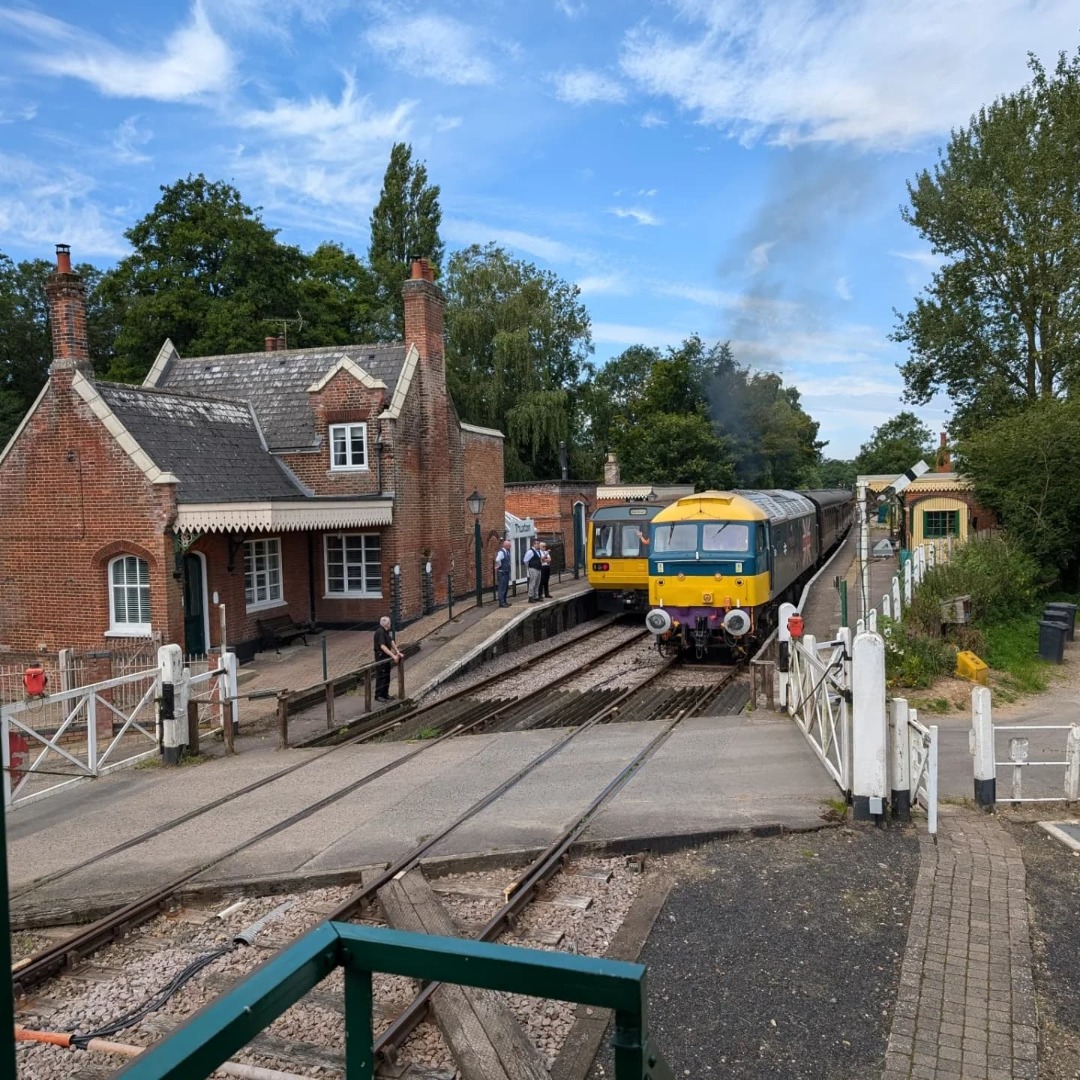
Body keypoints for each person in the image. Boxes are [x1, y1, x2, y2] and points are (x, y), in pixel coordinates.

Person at [373, 615, 403, 702]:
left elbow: (391, 641)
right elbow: (382, 646)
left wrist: (397, 651)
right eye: (389, 623)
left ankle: (385, 694)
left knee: (387, 675)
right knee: (381, 676)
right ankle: (378, 695)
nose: (390, 624)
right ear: (386, 624)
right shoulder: (380, 632)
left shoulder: (386, 631)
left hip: (386, 656)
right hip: (381, 656)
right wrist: (393, 656)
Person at [494, 538, 512, 607]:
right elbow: (497, 559)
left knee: (505, 588)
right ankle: (501, 602)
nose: (510, 547)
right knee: (502, 588)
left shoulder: (507, 552)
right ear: (506, 546)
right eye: (509, 546)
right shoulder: (501, 552)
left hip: (506, 572)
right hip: (502, 573)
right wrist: (499, 565)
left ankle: (504, 601)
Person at [523, 538, 542, 602]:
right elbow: (525, 560)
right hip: (533, 569)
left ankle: (536, 596)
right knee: (532, 583)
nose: (538, 545)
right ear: (534, 544)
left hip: (538, 569)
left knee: (537, 583)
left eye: (539, 543)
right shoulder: (530, 551)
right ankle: (530, 597)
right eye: (537, 544)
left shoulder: (538, 551)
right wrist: (529, 567)